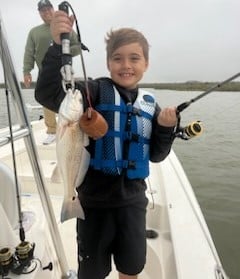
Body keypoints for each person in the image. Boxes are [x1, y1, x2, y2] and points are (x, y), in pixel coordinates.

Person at [35, 10, 177, 279]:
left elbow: (157, 155)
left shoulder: (149, 105)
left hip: (133, 204)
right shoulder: (93, 91)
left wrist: (167, 128)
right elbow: (47, 93)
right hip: (93, 204)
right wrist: (57, 47)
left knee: (131, 268)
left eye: (134, 58)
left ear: (146, 63)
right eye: (117, 58)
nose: (126, 65)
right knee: (92, 272)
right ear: (108, 63)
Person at [23, 0, 81, 145]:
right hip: (45, 72)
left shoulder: (65, 27)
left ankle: (70, 130)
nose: (46, 13)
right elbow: (29, 52)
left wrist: (62, 51)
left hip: (64, 72)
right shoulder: (34, 32)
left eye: (48, 9)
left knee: (68, 100)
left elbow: (78, 47)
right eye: (43, 11)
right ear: (40, 13)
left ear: (53, 10)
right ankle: (51, 131)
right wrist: (27, 71)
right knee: (46, 100)